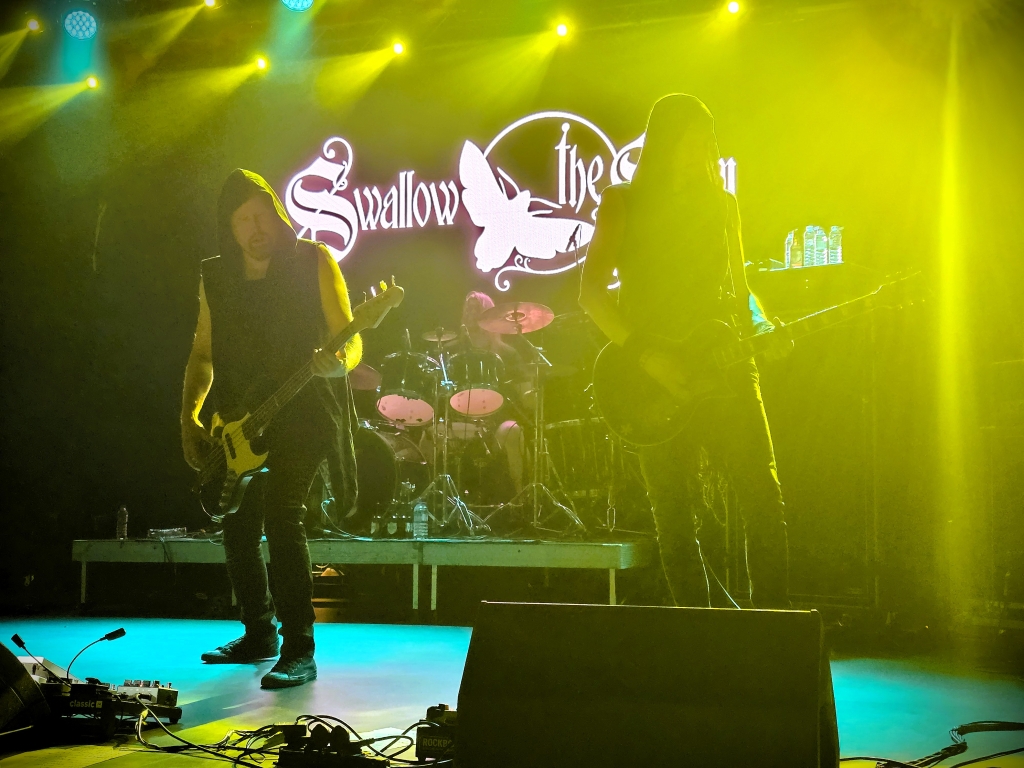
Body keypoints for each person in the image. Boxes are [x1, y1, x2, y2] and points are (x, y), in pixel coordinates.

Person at [579, 94, 790, 609]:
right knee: (674, 517)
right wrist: (646, 356)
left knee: (763, 498)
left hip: (727, 364)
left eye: (709, 141)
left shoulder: (723, 205)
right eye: (694, 140)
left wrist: (764, 324)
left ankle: (773, 630)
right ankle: (698, 632)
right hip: (653, 376)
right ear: (665, 143)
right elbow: (591, 295)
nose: (705, 152)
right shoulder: (623, 201)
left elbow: (740, 290)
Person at [180, 169, 362, 688]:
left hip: (304, 410)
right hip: (241, 417)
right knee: (236, 525)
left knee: (283, 517)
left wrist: (339, 363)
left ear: (278, 215)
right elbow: (202, 352)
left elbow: (349, 337)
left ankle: (299, 648)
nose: (255, 228)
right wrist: (189, 417)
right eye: (242, 220)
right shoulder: (216, 275)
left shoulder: (313, 259)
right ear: (229, 227)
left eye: (262, 215)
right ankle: (258, 632)